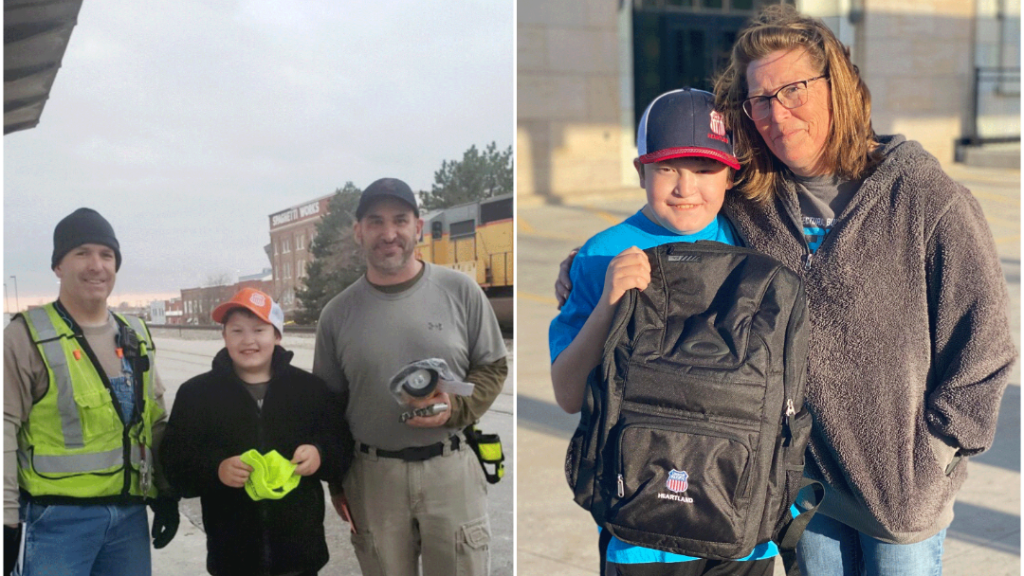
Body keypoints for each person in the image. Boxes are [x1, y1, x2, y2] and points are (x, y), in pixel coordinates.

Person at [555, 6, 1016, 576]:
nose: (777, 113)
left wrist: (936, 456)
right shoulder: (757, 202)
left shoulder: (922, 197)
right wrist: (584, 266)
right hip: (804, 489)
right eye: (760, 100)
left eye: (793, 89)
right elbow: (682, 223)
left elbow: (985, 340)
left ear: (837, 87)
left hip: (902, 498)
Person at [550, 87, 780, 576]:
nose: (685, 188)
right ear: (640, 171)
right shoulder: (600, 255)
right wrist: (608, 305)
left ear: (731, 175)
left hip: (739, 526)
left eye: (705, 170)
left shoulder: (751, 243)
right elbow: (569, 394)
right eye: (667, 169)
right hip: (641, 530)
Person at [313, 177, 508, 576]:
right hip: (371, 478)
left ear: (417, 227)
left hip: (451, 467)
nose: (389, 234)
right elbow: (327, 407)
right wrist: (337, 483)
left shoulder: (462, 291)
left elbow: (492, 367)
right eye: (375, 222)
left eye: (400, 220)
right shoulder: (336, 314)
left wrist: (456, 408)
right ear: (358, 232)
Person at [3, 208, 179, 576]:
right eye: (81, 253)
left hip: (128, 520)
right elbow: (4, 426)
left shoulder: (136, 334)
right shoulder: (25, 336)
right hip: (54, 522)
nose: (96, 265)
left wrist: (165, 492)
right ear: (58, 266)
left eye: (106, 254)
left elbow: (155, 420)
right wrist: (6, 518)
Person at [160, 288, 341, 576]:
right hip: (232, 557)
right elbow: (175, 462)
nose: (248, 340)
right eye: (237, 331)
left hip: (300, 555)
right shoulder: (196, 394)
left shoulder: (310, 390)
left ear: (277, 335)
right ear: (224, 336)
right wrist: (216, 469)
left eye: (259, 329)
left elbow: (341, 445)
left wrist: (320, 454)